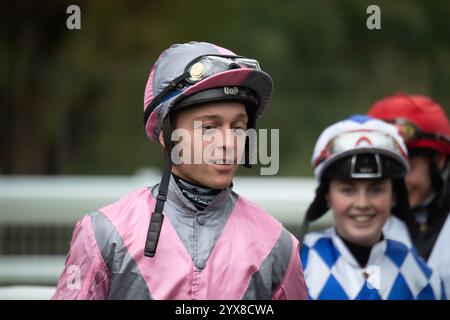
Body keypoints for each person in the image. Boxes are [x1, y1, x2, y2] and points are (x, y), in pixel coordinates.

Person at [52, 41, 307, 300]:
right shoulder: (103, 234)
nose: (228, 143)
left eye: (238, 128)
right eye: (209, 127)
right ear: (166, 135)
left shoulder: (279, 246)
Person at [299, 115, 445, 300]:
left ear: (394, 196)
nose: (362, 204)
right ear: (326, 196)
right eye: (348, 190)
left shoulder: (422, 279)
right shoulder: (293, 266)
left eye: (376, 190)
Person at [368, 93, 450, 296]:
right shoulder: (357, 224)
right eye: (385, 171)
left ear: (438, 160)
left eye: (406, 168)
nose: (395, 185)